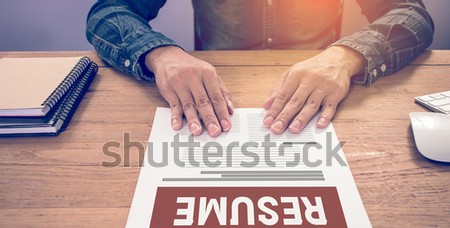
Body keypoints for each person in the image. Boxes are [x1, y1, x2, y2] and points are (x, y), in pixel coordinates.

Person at [86, 0, 434, 137]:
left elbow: (411, 14)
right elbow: (109, 11)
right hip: (212, 100)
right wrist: (160, 54)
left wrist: (344, 57)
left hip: (328, 99)